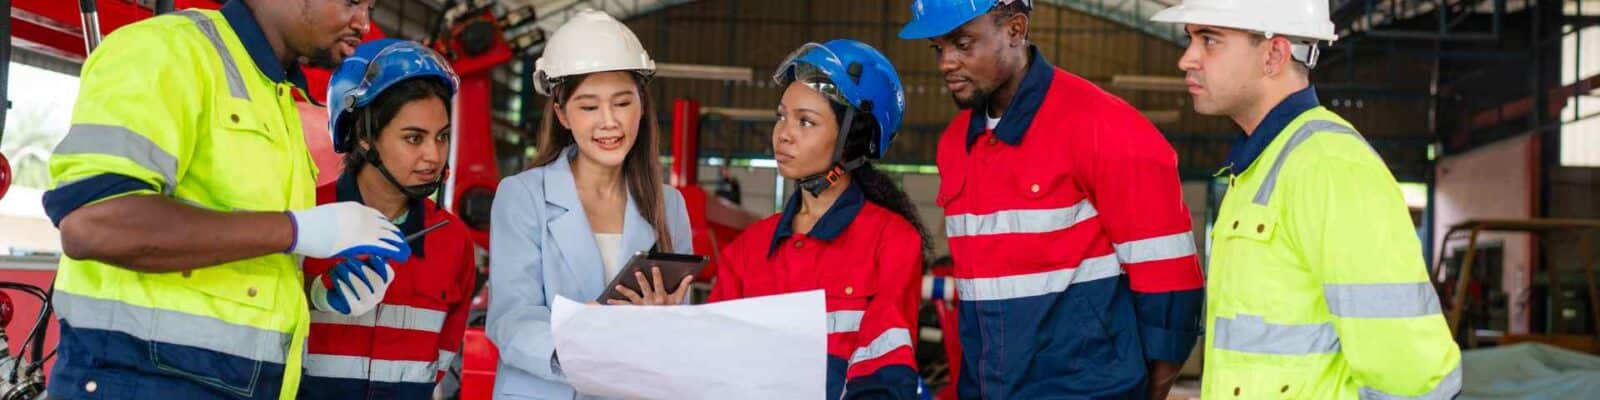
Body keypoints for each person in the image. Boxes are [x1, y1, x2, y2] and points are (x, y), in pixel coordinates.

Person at [41, 1, 405, 398]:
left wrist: (315, 294)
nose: (365, 24)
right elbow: (95, 224)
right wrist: (294, 229)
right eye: (352, 1)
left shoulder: (275, 98)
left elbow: (231, 264)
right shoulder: (168, 50)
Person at [1151, 1, 1462, 398]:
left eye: (1210, 40)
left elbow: (1412, 370)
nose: (1186, 59)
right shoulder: (1259, 167)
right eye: (1190, 39)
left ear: (1274, 55)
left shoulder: (1328, 167)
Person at [898, 1, 1206, 398]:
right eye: (939, 48)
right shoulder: (956, 145)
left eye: (962, 43)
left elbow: (1171, 288)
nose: (946, 63)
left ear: (1015, 29)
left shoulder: (1106, 128)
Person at [486, 9, 693, 399]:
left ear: (642, 106)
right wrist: (584, 336)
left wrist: (665, 319)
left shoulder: (669, 204)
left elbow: (682, 327)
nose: (609, 122)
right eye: (588, 106)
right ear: (562, 113)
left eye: (622, 103)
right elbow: (511, 319)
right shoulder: (523, 196)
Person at [708, 39, 927, 400]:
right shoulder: (747, 249)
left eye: (806, 121)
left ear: (853, 137)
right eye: (781, 116)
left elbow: (885, 373)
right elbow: (715, 364)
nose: (783, 133)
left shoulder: (892, 241)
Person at [296, 39, 478, 400]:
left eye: (442, 137)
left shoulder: (453, 239)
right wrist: (308, 295)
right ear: (364, 136)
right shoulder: (304, 218)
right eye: (414, 138)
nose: (434, 156)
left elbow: (439, 360)